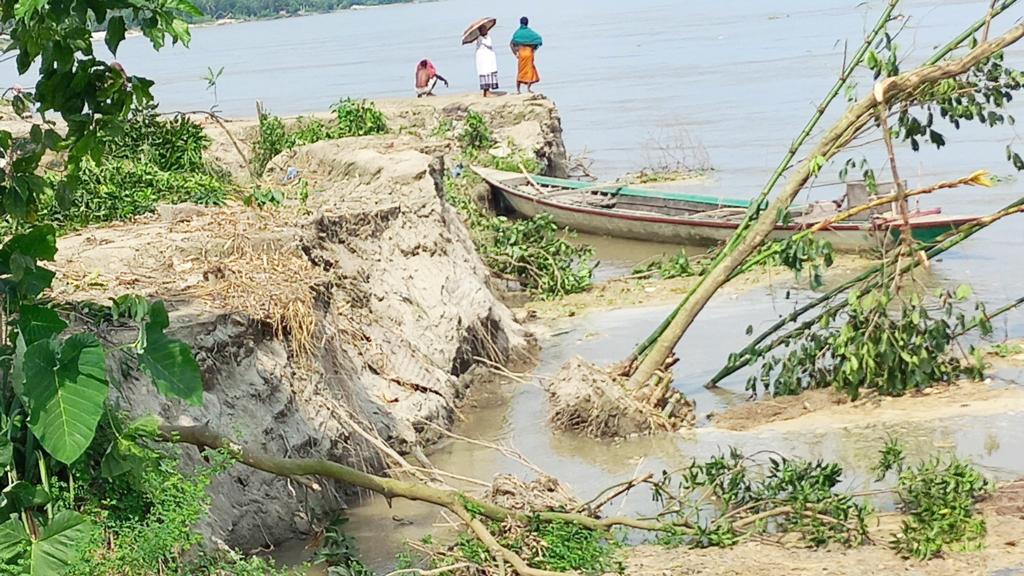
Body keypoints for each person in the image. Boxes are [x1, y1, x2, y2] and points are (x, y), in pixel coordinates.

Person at [510, 16, 542, 94]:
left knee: (520, 71)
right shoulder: (530, 32)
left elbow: (511, 44)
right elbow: (538, 39)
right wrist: (533, 49)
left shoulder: (517, 33)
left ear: (520, 23)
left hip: (521, 53)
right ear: (527, 23)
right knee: (530, 70)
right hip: (529, 52)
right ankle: (528, 88)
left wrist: (515, 53)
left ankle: (518, 90)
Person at [475, 27, 499, 97]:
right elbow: (489, 44)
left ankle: (487, 91)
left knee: (488, 74)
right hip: (484, 59)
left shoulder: (485, 37)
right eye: (484, 29)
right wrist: (487, 37)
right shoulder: (481, 38)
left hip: (487, 59)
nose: (486, 30)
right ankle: (486, 92)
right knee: (485, 74)